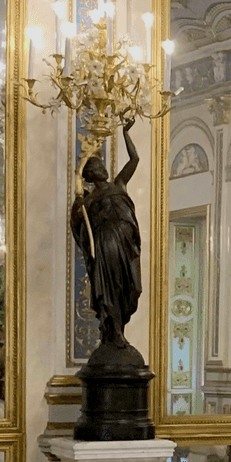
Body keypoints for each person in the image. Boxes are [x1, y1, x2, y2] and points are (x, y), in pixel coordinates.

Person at [71, 114, 143, 348]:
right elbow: (79, 229)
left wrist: (125, 133)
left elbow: (135, 159)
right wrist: (77, 210)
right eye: (95, 167)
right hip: (104, 249)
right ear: (90, 176)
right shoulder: (88, 200)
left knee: (129, 287)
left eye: (99, 164)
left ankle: (119, 329)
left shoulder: (119, 184)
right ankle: (113, 332)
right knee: (109, 290)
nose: (101, 168)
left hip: (125, 246)